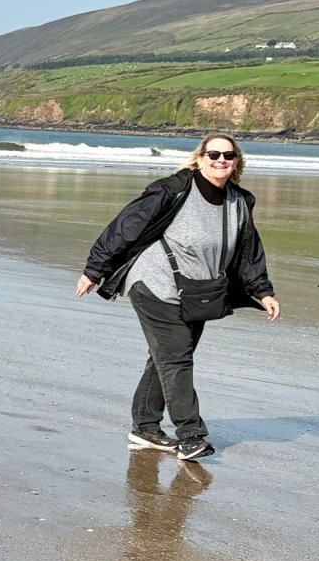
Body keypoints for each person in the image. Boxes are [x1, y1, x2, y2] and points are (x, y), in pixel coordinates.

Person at [75, 132, 280, 461]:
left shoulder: (239, 202)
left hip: (199, 292)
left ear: (237, 162)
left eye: (228, 155)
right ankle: (191, 434)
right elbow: (127, 224)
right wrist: (94, 269)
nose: (220, 160)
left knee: (167, 357)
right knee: (176, 358)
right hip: (153, 282)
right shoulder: (174, 189)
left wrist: (262, 291)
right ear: (200, 158)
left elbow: (248, 251)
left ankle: (145, 427)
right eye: (213, 154)